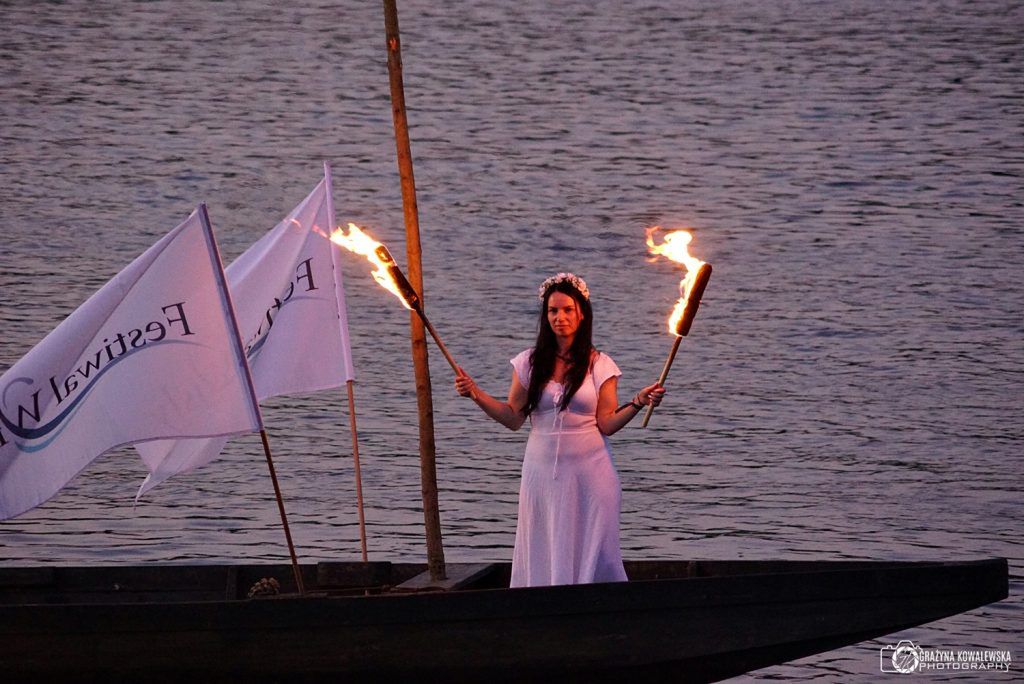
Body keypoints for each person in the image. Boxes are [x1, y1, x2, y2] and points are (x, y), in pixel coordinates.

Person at [454, 272, 665, 587]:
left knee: (596, 554)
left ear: (582, 314)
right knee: (544, 548)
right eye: (553, 311)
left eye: (567, 310)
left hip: (590, 475)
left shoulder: (600, 364)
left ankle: (598, 606)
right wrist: (475, 394)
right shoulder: (528, 363)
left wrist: (638, 401)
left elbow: (607, 424)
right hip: (541, 476)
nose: (560, 317)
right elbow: (513, 418)